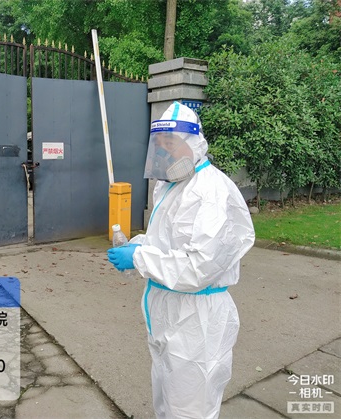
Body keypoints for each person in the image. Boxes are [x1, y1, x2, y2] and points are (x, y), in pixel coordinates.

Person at [107, 101, 255, 419]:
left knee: (190, 408)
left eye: (171, 144)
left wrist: (141, 258)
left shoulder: (210, 192)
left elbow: (199, 266)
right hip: (169, 312)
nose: (165, 152)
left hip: (197, 321)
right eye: (160, 145)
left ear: (193, 143)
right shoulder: (172, 186)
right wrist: (136, 247)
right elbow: (167, 241)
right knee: (167, 400)